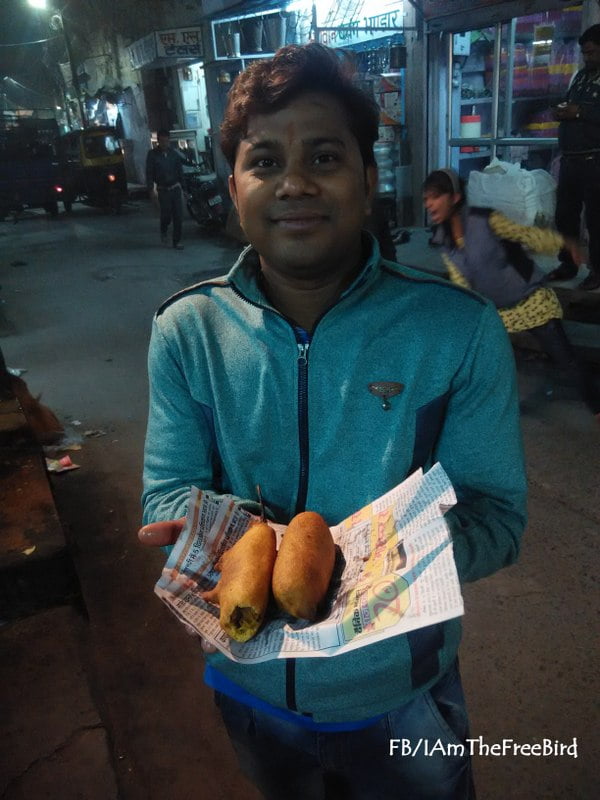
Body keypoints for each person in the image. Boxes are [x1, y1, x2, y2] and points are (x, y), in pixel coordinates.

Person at [138, 44, 527, 800]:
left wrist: (384, 568)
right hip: (251, 692)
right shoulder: (186, 332)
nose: (294, 183)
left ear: (370, 180)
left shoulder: (456, 330)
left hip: (401, 695)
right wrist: (216, 537)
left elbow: (498, 516)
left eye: (324, 155)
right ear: (233, 187)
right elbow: (165, 497)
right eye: (264, 162)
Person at [423, 167, 600, 422]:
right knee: (486, 364)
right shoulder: (444, 241)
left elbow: (526, 235)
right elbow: (462, 282)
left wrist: (564, 243)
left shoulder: (486, 220)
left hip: (530, 298)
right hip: (499, 311)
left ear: (454, 197)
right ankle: (482, 412)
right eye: (426, 199)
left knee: (567, 361)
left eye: (434, 197)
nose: (429, 204)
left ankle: (596, 406)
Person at [547, 23, 600, 291]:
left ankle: (597, 270)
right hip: (570, 160)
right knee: (565, 216)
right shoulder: (580, 77)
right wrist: (561, 109)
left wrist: (579, 112)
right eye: (584, 54)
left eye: (591, 53)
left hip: (595, 162)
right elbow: (570, 103)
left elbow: (586, 111)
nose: (587, 58)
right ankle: (568, 263)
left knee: (596, 220)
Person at [145, 128, 185, 250]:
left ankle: (176, 241)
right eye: (162, 141)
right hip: (163, 189)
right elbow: (149, 173)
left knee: (178, 216)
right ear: (158, 141)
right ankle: (164, 230)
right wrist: (151, 189)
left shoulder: (174, 154)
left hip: (175, 188)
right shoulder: (152, 155)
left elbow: (180, 171)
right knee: (166, 214)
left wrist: (184, 188)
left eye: (166, 141)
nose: (164, 144)